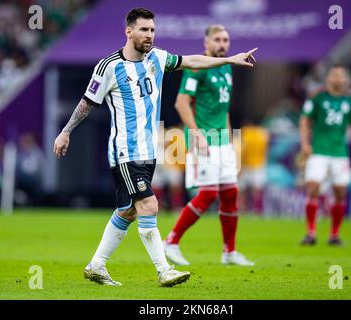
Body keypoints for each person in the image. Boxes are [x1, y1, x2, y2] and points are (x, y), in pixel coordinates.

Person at [53, 8, 257, 287]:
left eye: (152, 30)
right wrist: (65, 132)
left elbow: (191, 61)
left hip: (149, 153)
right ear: (129, 31)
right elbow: (87, 102)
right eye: (143, 30)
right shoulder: (109, 66)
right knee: (149, 204)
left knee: (129, 210)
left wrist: (229, 60)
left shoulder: (158, 58)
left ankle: (96, 265)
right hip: (126, 151)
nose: (149, 35)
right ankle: (164, 269)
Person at [163, 25, 255, 266]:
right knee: (208, 193)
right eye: (217, 39)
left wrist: (230, 139)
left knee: (231, 194)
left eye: (226, 39)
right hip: (204, 140)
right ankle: (171, 241)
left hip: (223, 142)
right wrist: (196, 135)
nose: (223, 44)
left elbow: (222, 109)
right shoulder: (197, 68)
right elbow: (181, 103)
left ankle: (230, 252)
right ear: (206, 43)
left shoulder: (226, 68)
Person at [299, 64, 351, 246]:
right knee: (313, 188)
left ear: (346, 80)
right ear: (328, 78)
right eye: (334, 75)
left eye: (341, 76)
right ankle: (311, 233)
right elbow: (304, 119)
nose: (337, 79)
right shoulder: (318, 97)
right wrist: (305, 144)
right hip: (318, 151)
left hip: (340, 153)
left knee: (340, 192)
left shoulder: (349, 102)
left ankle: (334, 235)